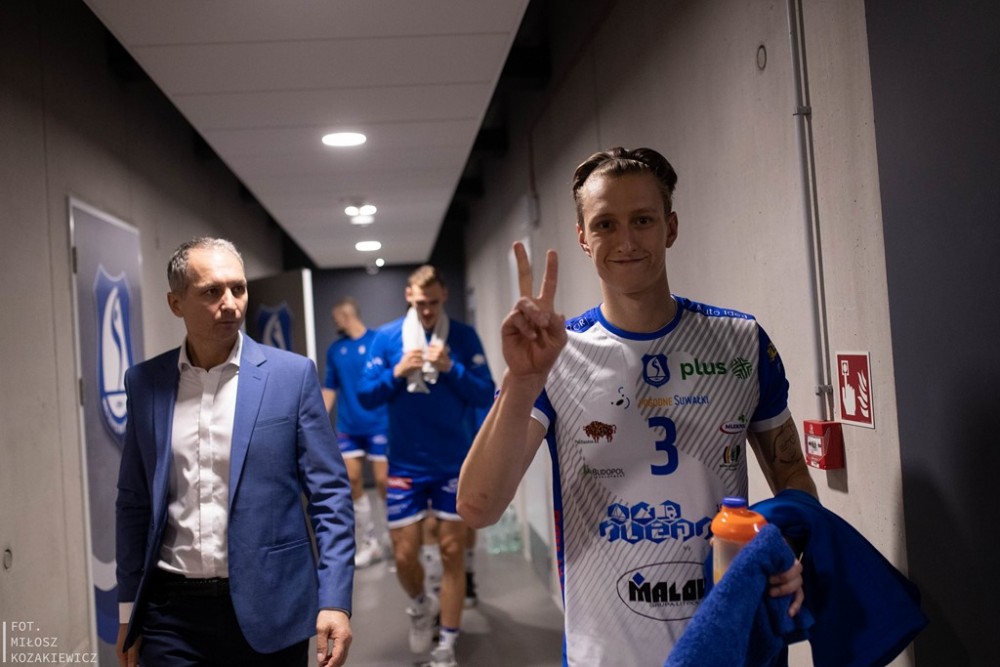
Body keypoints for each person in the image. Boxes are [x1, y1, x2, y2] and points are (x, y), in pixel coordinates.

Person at [457, 147, 818, 666]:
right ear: (583, 238)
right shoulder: (557, 354)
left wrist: (791, 548)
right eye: (605, 224)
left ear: (670, 227)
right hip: (606, 654)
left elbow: (792, 477)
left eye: (643, 220)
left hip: (730, 643)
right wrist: (523, 379)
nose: (625, 241)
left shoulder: (740, 342)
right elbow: (477, 507)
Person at [115, 237, 355, 667]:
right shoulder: (145, 383)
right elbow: (134, 502)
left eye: (238, 288)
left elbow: (330, 497)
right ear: (176, 303)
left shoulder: (292, 377)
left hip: (272, 607)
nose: (230, 304)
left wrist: (335, 599)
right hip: (171, 614)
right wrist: (127, 611)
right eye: (212, 291)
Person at [358, 265, 495, 667]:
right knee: (404, 555)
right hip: (404, 464)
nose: (428, 311)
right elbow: (365, 395)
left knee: (452, 551)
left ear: (444, 296)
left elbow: (485, 393)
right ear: (408, 297)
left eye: (434, 303)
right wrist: (397, 372)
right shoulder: (386, 338)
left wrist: (453, 368)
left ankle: (446, 646)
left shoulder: (463, 337)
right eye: (421, 303)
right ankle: (421, 605)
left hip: (453, 462)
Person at [322, 297, 390, 568]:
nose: (334, 322)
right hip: (349, 427)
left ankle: (391, 537)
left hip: (379, 424)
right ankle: (370, 543)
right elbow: (329, 389)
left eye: (335, 317)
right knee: (352, 480)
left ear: (345, 315)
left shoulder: (377, 341)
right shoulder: (335, 350)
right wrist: (315, 420)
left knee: (383, 482)